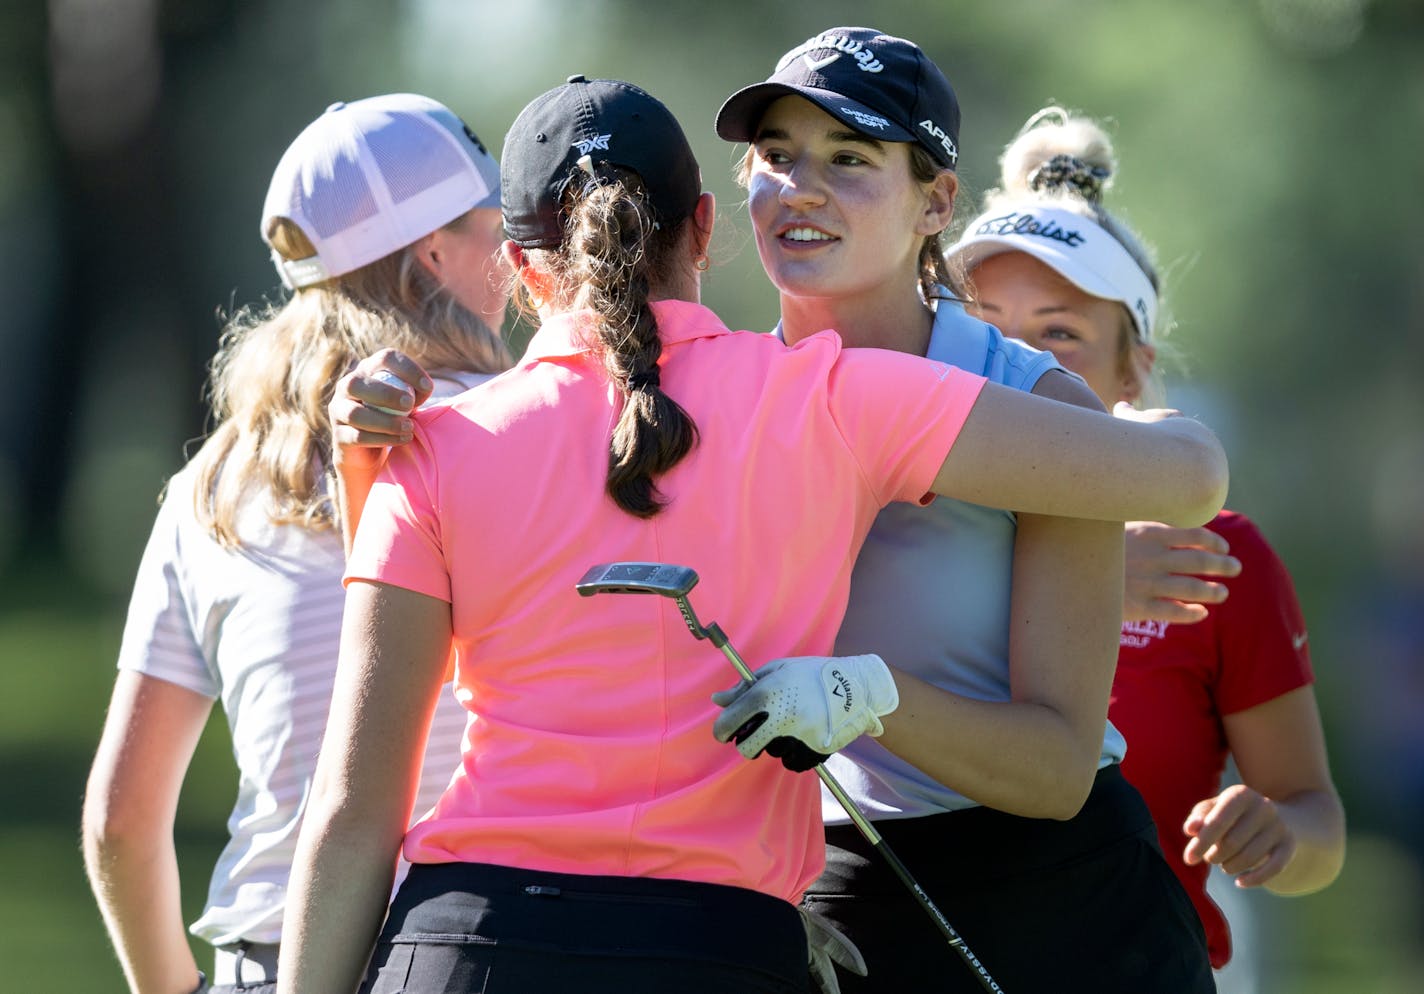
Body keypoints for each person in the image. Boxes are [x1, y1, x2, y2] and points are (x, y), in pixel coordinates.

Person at [274, 74, 1229, 994]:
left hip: (463, 942)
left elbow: (353, 812)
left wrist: (375, 469)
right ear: (705, 226)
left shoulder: (426, 446)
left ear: (520, 267)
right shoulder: (829, 398)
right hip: (715, 944)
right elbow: (1188, 483)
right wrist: (1146, 430)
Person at [703, 28, 1220, 993]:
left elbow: (1058, 768)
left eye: (850, 159)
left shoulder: (1028, 401)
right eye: (777, 157)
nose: (800, 188)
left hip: (1066, 906)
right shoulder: (727, 391)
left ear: (936, 201)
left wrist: (868, 696)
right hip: (836, 891)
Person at [80, 93, 512, 994]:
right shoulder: (521, 436)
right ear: (433, 252)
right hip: (459, 952)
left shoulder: (213, 486)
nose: (514, 252)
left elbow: (121, 820)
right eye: (492, 223)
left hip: (264, 964)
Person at [946, 105, 1347, 973]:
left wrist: (1279, 832)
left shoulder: (1208, 557)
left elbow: (1316, 820)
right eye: (985, 327)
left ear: (1135, 369)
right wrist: (1088, 583)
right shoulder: (872, 516)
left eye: (1059, 334)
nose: (1017, 366)